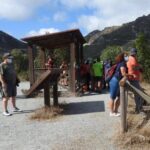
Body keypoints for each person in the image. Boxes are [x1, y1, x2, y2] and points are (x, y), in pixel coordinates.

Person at [126, 48, 143, 113]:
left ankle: (138, 108)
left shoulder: (129, 58)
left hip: (132, 78)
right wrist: (140, 67)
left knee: (137, 93)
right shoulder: (132, 58)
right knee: (138, 94)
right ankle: (139, 109)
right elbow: (133, 67)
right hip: (134, 78)